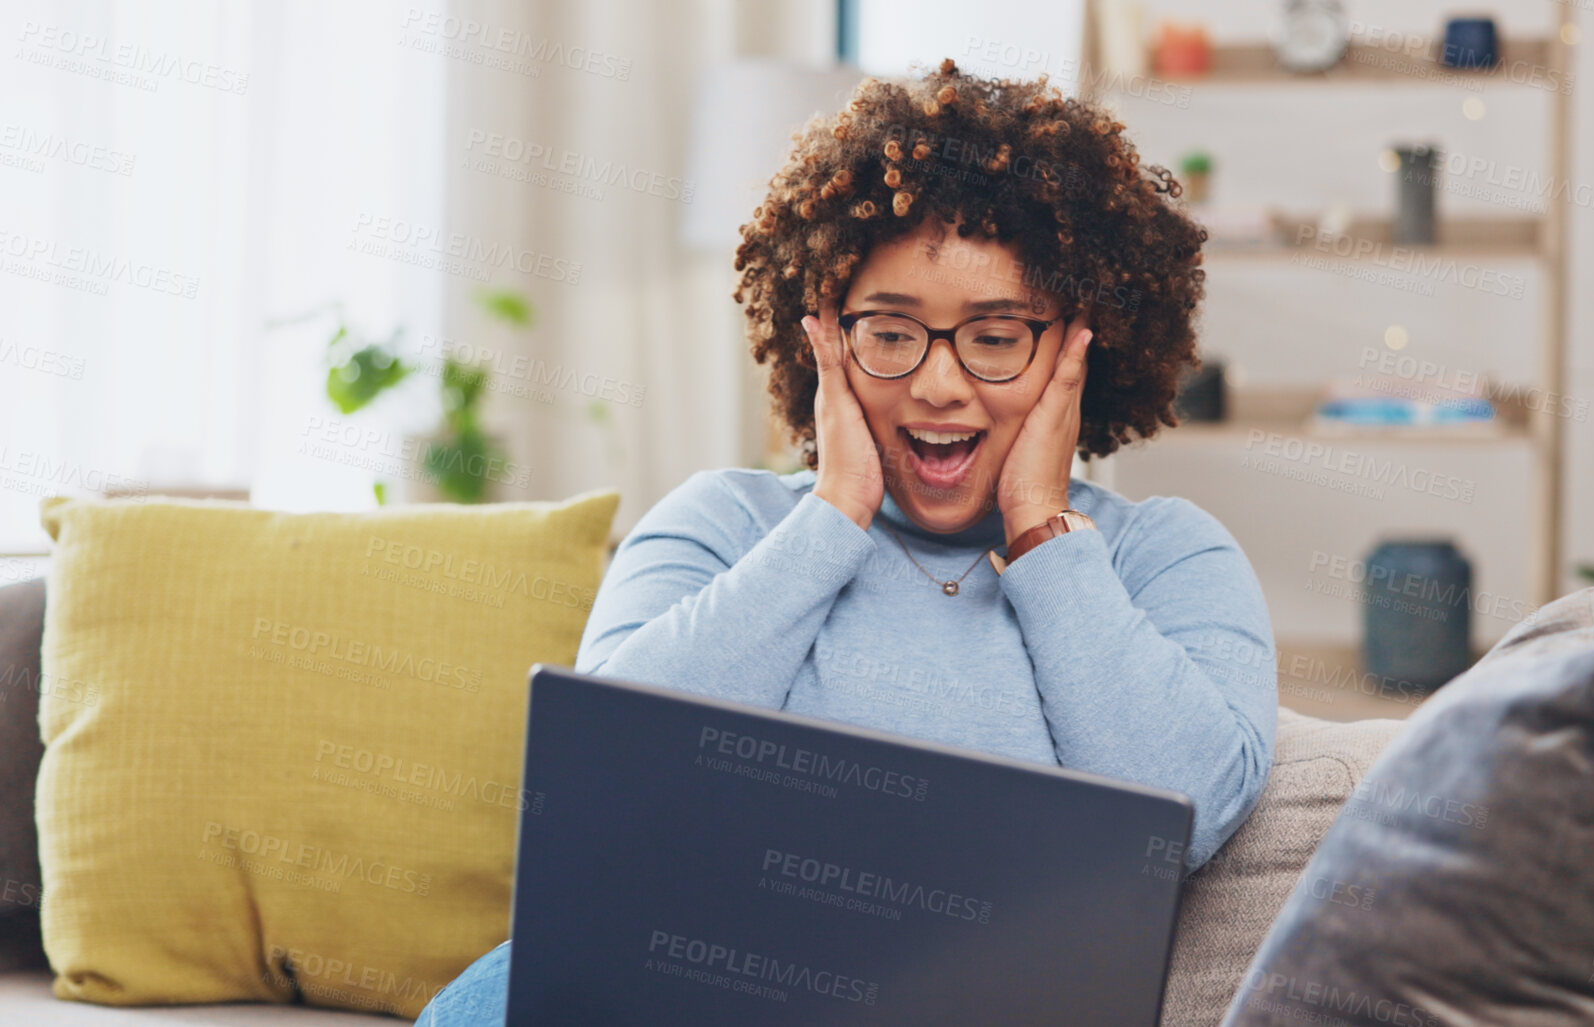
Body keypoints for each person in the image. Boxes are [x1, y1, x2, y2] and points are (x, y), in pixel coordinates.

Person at [416, 57, 1276, 1025]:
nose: (939, 386)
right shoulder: (720, 526)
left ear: (1081, 346)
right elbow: (613, 778)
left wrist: (1041, 529)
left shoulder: (1166, 558)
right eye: (891, 332)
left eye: (996, 337)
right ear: (824, 337)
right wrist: (830, 517)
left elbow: (1187, 808)